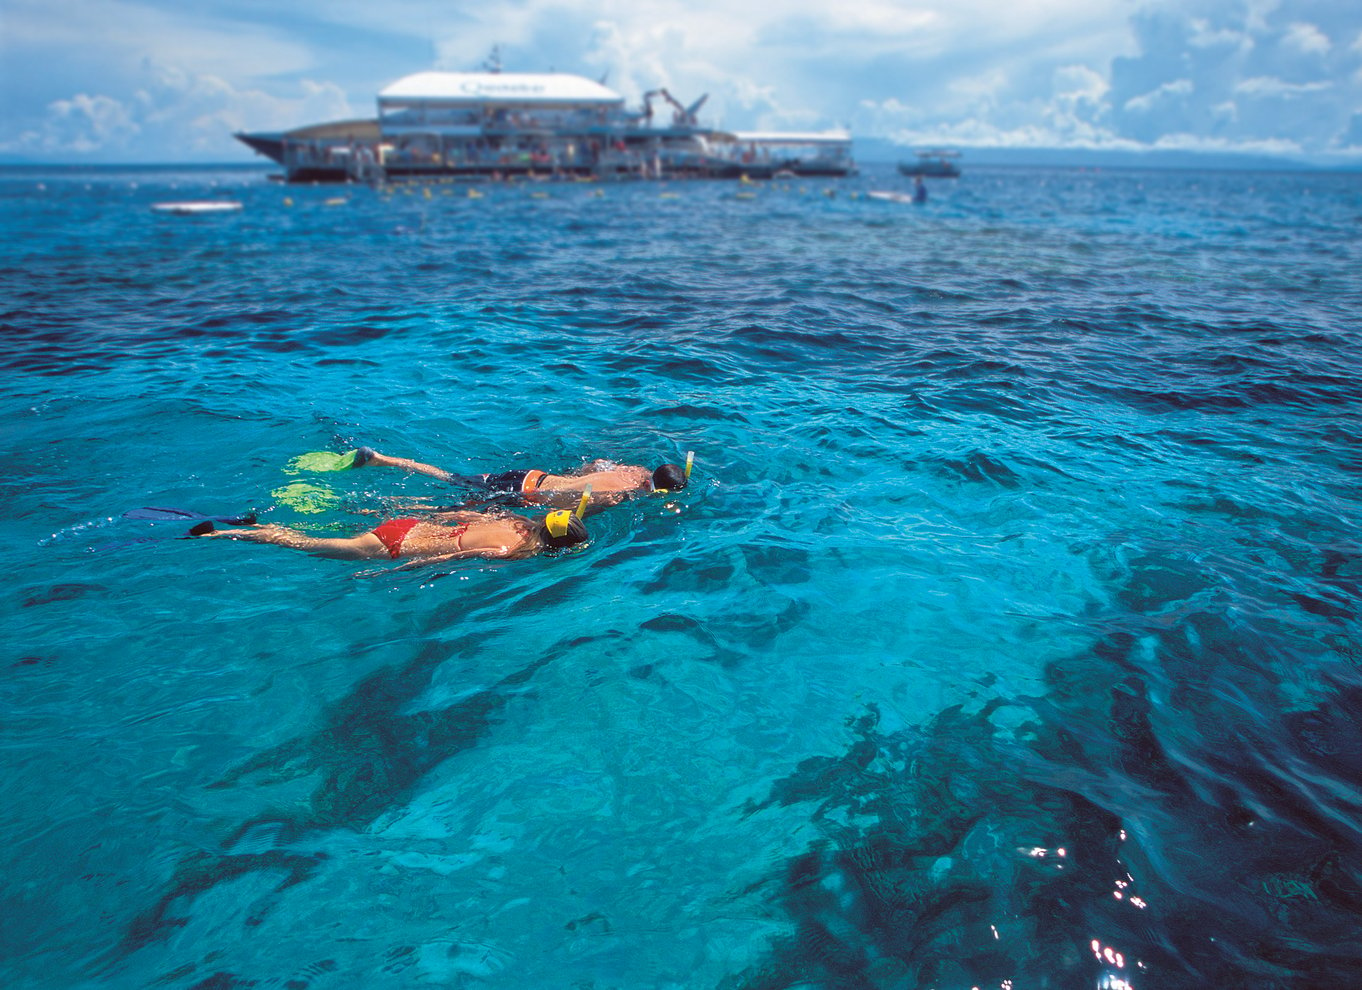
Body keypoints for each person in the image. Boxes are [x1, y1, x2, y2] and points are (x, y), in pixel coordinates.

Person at [188, 506, 587, 565]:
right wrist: (396, 571)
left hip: (410, 526)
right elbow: (447, 558)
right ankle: (220, 535)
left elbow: (460, 513)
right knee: (307, 545)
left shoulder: (514, 520)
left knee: (317, 534)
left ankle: (253, 524)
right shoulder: (512, 549)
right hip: (396, 546)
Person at [344, 447, 690, 506]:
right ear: (654, 488)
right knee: (445, 507)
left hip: (531, 475)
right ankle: (382, 504)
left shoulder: (633, 470)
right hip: (519, 493)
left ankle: (381, 459)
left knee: (451, 478)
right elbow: (564, 514)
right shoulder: (617, 497)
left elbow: (596, 463)